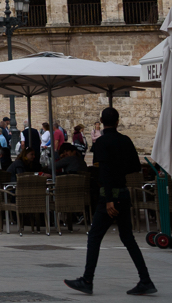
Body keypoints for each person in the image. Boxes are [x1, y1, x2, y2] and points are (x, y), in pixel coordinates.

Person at [63, 107, 155, 296]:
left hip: (110, 196)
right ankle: (145, 279)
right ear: (118, 121)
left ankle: (87, 280)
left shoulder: (102, 142)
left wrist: (108, 200)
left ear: (101, 121)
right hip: (123, 193)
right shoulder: (126, 140)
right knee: (128, 238)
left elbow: (103, 171)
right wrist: (119, 168)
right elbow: (135, 166)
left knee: (95, 236)